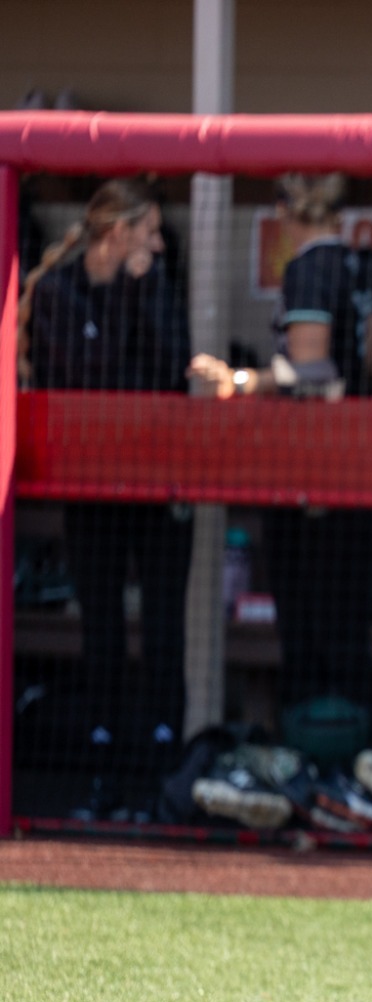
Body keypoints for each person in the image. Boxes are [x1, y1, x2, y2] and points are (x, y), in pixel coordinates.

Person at [190, 173, 372, 771]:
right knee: (344, 621)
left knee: (311, 622)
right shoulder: (359, 267)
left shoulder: (310, 268)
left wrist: (247, 380)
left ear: (286, 212)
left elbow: (318, 371)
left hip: (319, 474)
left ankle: (319, 765)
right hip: (358, 469)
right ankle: (353, 765)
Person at [21, 178, 192, 818]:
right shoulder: (61, 292)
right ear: (118, 234)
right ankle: (100, 773)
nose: (158, 244)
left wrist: (140, 287)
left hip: (156, 484)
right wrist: (122, 292)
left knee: (163, 630)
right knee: (102, 630)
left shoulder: (157, 285)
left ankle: (158, 777)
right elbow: (88, 378)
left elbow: (168, 367)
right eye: (148, 232)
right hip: (89, 487)